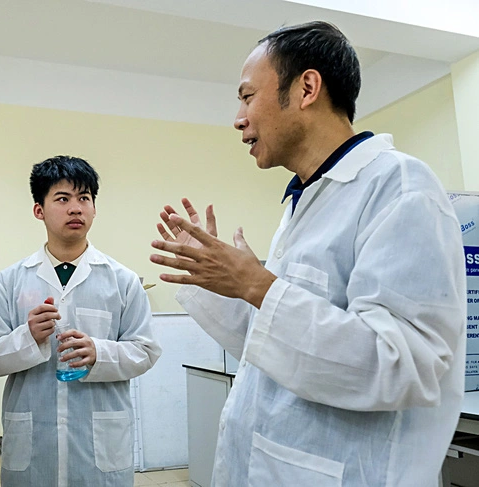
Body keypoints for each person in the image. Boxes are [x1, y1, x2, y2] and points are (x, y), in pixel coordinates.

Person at [150, 21, 466, 486]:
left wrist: (257, 284)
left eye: (246, 97)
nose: (238, 119)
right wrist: (220, 282)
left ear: (307, 88)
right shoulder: (307, 200)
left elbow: (404, 366)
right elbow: (281, 345)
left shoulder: (399, 187)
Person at [0, 155, 162, 486]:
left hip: (100, 445)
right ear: (39, 210)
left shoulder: (123, 280)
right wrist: (28, 337)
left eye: (84, 199)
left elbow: (145, 351)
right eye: (62, 199)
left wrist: (98, 353)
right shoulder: (11, 281)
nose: (76, 208)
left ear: (94, 208)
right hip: (32, 441)